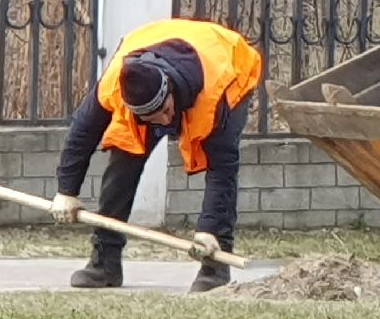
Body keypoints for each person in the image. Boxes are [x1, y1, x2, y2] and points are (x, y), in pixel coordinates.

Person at [50, 17, 264, 293]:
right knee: (124, 159)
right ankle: (104, 262)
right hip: (158, 48)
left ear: (170, 92)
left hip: (229, 64)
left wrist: (209, 228)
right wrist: (66, 191)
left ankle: (214, 267)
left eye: (165, 113)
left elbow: (222, 168)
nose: (164, 122)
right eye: (153, 118)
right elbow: (82, 132)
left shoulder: (217, 95)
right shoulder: (115, 84)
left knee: (217, 156)